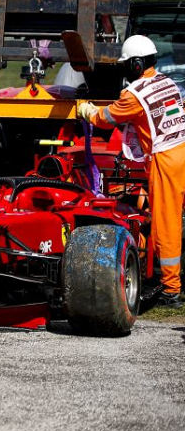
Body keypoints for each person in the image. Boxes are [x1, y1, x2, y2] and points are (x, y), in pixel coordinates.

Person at [78, 34, 185, 309]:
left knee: (166, 225)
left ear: (136, 65)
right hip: (182, 148)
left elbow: (106, 118)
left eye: (126, 65)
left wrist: (88, 110)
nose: (124, 70)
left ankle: (171, 290)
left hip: (166, 160)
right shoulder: (167, 82)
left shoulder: (134, 95)